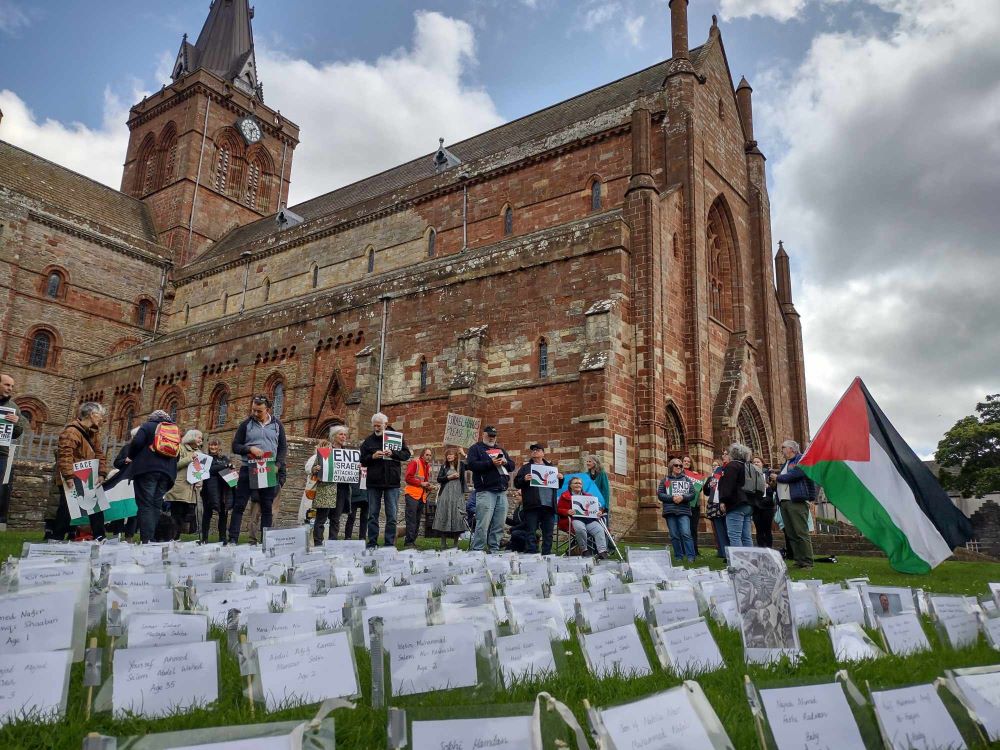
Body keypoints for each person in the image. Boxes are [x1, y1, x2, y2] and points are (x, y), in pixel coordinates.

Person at [230, 395, 288, 545]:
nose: (255, 413)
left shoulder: (277, 425)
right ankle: (232, 540)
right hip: (248, 468)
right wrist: (250, 448)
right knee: (239, 505)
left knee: (267, 507)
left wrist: (278, 465)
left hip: (268, 468)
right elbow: (235, 446)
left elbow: (282, 448)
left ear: (267, 409)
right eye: (254, 410)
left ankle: (265, 543)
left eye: (259, 411)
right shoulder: (246, 425)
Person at [49, 402, 108, 541]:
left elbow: (99, 454)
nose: (101, 419)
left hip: (88, 475)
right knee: (67, 508)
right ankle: (57, 537)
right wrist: (68, 476)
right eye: (100, 415)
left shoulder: (93, 434)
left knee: (96, 506)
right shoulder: (71, 432)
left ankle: (100, 536)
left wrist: (101, 473)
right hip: (73, 475)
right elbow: (65, 455)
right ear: (92, 415)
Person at [126, 409, 181, 543]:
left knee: (145, 504)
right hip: (167, 474)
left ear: (152, 418)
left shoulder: (148, 426)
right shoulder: (174, 431)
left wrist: (130, 456)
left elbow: (137, 442)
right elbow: (177, 455)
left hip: (147, 470)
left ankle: (147, 540)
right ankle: (153, 539)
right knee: (156, 505)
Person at [359, 412, 411, 548]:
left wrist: (393, 453)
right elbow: (362, 460)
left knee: (392, 516)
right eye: (374, 426)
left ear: (385, 425)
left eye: (379, 426)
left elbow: (406, 454)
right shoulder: (368, 441)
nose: (376, 428)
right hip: (373, 482)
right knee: (372, 515)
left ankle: (389, 544)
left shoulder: (396, 438)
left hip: (392, 482)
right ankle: (372, 544)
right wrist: (372, 457)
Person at [466, 426, 515, 553]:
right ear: (483, 435)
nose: (492, 437)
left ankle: (494, 548)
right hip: (485, 490)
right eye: (490, 435)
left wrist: (505, 463)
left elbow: (512, 466)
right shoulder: (475, 448)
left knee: (499, 523)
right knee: (483, 522)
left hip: (502, 490)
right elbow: (471, 465)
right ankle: (478, 549)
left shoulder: (500, 449)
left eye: (494, 435)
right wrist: (490, 463)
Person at [310, 426, 357, 545]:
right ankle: (318, 544)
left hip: (342, 489)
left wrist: (357, 470)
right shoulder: (326, 451)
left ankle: (333, 544)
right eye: (341, 434)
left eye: (345, 435)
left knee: (336, 519)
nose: (343, 437)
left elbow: (352, 471)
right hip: (326, 489)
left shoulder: (348, 454)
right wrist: (315, 468)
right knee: (321, 519)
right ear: (334, 436)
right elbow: (313, 469)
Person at [773, 439, 815, 569]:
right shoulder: (786, 463)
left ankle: (807, 561)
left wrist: (778, 477)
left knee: (801, 532)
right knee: (791, 533)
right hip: (785, 502)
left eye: (784, 447)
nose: (782, 450)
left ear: (791, 449)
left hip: (796, 501)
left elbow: (796, 474)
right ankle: (799, 560)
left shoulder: (800, 459)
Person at [513, 443, 560, 555]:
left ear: (543, 453)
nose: (535, 451)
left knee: (548, 532)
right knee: (531, 531)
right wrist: (524, 479)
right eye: (533, 450)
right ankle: (531, 553)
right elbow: (516, 483)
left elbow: (557, 485)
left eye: (538, 450)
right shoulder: (525, 468)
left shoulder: (551, 468)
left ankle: (546, 554)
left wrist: (560, 478)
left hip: (549, 504)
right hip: (532, 504)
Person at [557, 476, 608, 558]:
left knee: (599, 529)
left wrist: (599, 512)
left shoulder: (589, 496)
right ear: (570, 485)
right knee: (580, 528)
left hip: (589, 520)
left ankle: (602, 552)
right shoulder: (565, 495)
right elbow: (558, 509)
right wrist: (567, 511)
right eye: (576, 483)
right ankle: (584, 549)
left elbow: (597, 509)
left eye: (580, 483)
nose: (578, 485)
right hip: (573, 519)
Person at [165, 430, 202, 540]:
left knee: (185, 516)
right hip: (179, 488)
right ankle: (172, 539)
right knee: (176, 515)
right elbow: (173, 466)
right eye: (199, 437)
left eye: (201, 438)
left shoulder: (200, 452)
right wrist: (190, 458)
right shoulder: (179, 448)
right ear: (191, 437)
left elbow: (199, 470)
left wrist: (200, 481)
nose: (201, 440)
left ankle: (176, 539)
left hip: (191, 490)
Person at [0, 373, 27, 526]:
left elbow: (17, 434)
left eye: (11, 386)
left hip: (1, 454)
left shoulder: (13, 408)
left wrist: (17, 422)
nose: (10, 388)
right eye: (6, 384)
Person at [657, 459, 696, 563]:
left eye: (680, 465)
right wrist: (672, 498)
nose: (679, 467)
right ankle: (678, 556)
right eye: (676, 465)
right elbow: (660, 494)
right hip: (670, 511)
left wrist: (682, 497)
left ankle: (691, 556)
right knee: (674, 535)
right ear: (671, 467)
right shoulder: (665, 481)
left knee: (686, 533)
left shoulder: (687, 480)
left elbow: (692, 494)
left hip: (684, 511)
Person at [718, 443, 754, 548]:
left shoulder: (732, 466)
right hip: (748, 503)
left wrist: (723, 500)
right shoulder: (747, 466)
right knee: (746, 536)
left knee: (734, 536)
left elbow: (728, 486)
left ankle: (738, 563)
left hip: (736, 504)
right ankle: (749, 562)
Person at [433, 446, 467, 548]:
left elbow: (471, 464)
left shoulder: (461, 465)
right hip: (446, 495)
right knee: (444, 515)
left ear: (456, 456)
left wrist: (463, 453)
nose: (449, 456)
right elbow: (439, 479)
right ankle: (443, 543)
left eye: (451, 454)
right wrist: (449, 477)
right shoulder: (444, 467)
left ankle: (456, 544)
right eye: (447, 455)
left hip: (457, 495)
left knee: (457, 517)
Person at [201, 437, 233, 544]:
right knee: (207, 514)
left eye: (215, 445)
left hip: (223, 490)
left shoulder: (224, 458)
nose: (213, 447)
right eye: (211, 445)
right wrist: (224, 466)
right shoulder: (205, 458)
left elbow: (230, 471)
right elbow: (210, 470)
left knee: (223, 515)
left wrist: (228, 467)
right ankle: (204, 538)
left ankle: (222, 538)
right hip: (208, 490)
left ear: (219, 447)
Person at [403, 448, 433, 547]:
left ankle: (412, 541)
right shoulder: (415, 462)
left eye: (430, 455)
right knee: (411, 519)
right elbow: (408, 478)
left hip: (421, 496)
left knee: (417, 519)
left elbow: (424, 482)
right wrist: (421, 483)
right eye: (427, 455)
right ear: (422, 455)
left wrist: (428, 487)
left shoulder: (427, 466)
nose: (429, 457)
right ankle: (409, 542)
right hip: (412, 495)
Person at [702, 459, 727, 558]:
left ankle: (726, 551)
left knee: (725, 529)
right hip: (713, 505)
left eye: (716, 465)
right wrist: (708, 485)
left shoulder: (724, 476)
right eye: (713, 465)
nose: (714, 467)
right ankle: (721, 551)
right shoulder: (711, 478)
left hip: (721, 504)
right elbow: (706, 492)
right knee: (717, 529)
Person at [751, 456, 777, 548]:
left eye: (758, 462)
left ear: (762, 463)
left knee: (767, 529)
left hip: (767, 505)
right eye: (754, 462)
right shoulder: (750, 475)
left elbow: (775, 488)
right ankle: (761, 548)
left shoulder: (769, 474)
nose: (756, 464)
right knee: (759, 529)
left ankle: (769, 548)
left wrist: (768, 487)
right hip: (756, 505)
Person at [682, 455, 704, 556]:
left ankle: (695, 549)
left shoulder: (695, 475)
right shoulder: (679, 474)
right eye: (685, 461)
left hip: (695, 505)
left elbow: (699, 489)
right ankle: (684, 550)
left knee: (693, 529)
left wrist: (698, 478)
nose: (686, 463)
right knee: (684, 529)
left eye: (688, 462)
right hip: (683, 505)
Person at [585, 454, 611, 519]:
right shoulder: (586, 475)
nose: (587, 463)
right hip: (589, 502)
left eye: (589, 461)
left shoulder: (602, 473)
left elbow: (606, 490)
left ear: (595, 463)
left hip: (600, 501)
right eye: (587, 461)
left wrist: (605, 506)